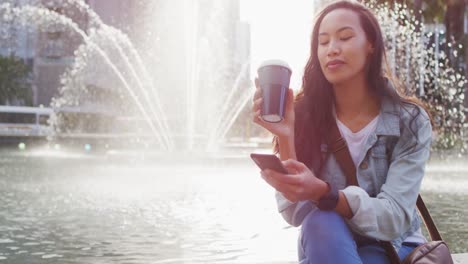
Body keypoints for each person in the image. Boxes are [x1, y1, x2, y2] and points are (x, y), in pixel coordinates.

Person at [251, 1, 433, 263]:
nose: (332, 49)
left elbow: (394, 217)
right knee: (320, 221)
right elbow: (294, 213)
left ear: (371, 44)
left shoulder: (410, 121)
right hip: (327, 239)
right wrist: (285, 134)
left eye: (345, 37)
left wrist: (326, 193)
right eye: (323, 42)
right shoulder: (305, 115)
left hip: (393, 245)